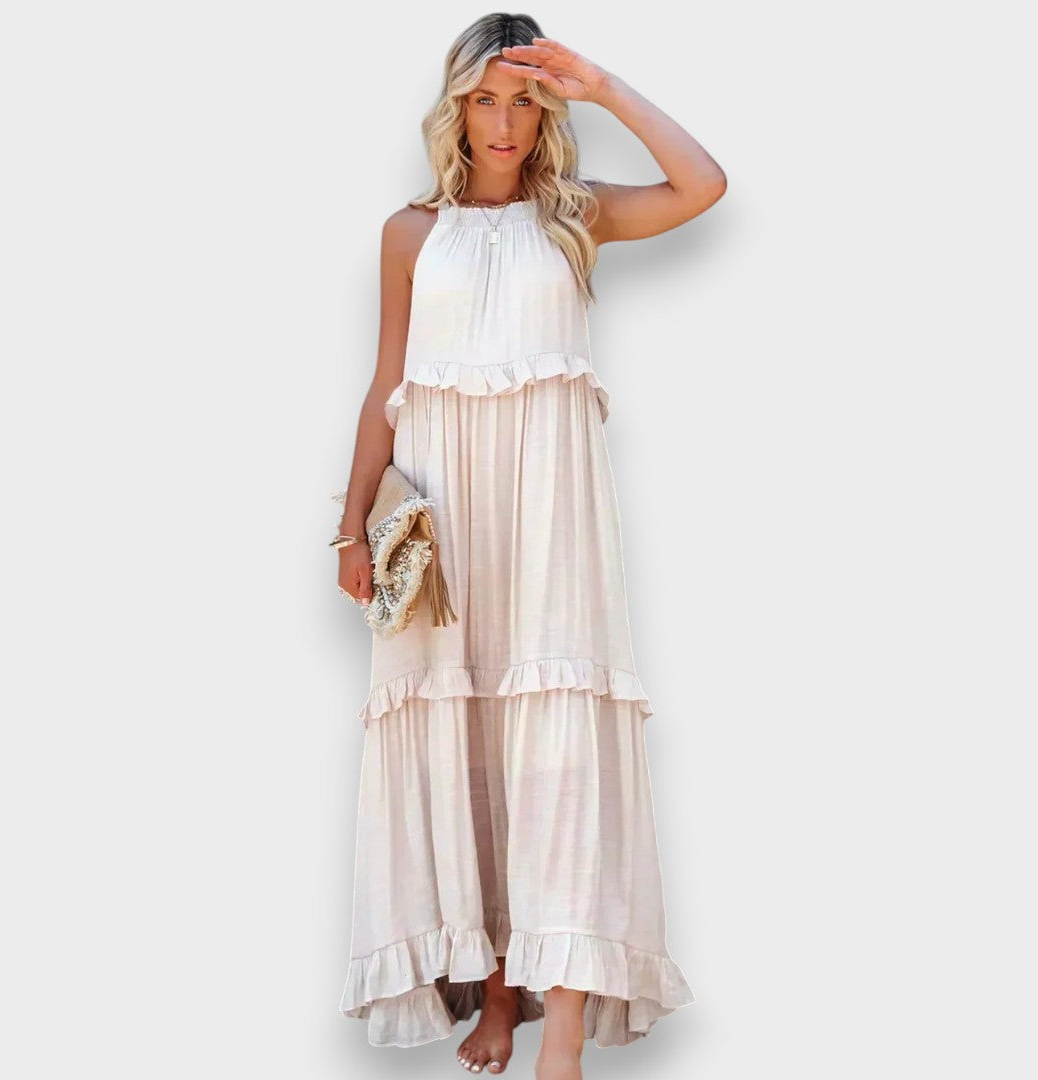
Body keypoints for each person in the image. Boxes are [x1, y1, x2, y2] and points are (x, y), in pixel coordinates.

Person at [333, 14, 726, 1079]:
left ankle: (564, 1026)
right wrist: (352, 522)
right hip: (445, 507)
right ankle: (499, 992)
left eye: (524, 102)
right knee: (467, 733)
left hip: (552, 506)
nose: (503, 124)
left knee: (555, 734)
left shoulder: (575, 216)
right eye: (485, 101)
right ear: (455, 109)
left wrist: (604, 85)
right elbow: (385, 384)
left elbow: (702, 185)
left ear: (547, 113)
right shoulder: (410, 232)